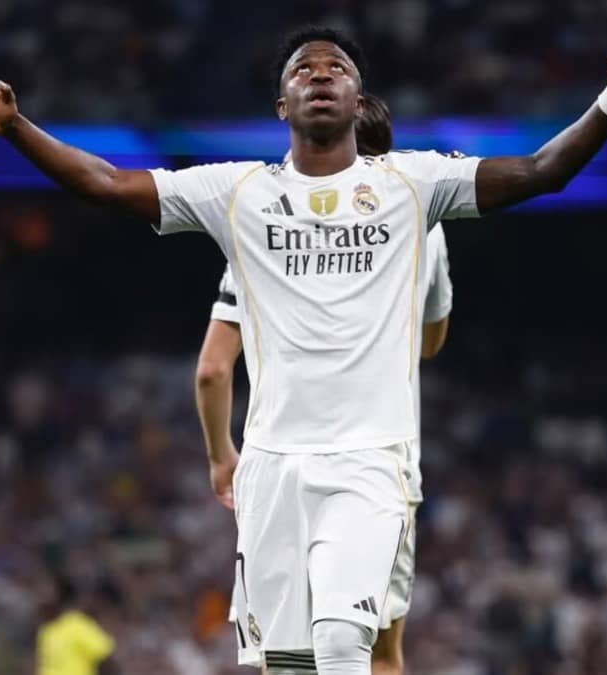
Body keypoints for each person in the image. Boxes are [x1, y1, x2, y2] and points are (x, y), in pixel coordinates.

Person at [0, 12, 607, 673]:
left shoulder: (414, 186)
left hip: (368, 462)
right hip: (271, 471)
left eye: (338, 68)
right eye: (303, 69)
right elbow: (105, 182)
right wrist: (18, 129)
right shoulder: (236, 192)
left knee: (345, 642)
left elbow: (542, 171)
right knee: (289, 664)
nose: (321, 75)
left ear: (360, 100)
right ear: (281, 103)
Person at [196, 93, 451, 675]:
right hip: (380, 466)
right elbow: (431, 343)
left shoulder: (259, 229)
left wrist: (220, 456)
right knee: (375, 651)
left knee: (282, 654)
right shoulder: (421, 224)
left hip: (279, 464)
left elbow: (212, 368)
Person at [36, 578, 116, 675]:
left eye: (46, 591)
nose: (41, 597)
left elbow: (105, 655)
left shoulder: (76, 623)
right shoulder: (45, 631)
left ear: (59, 595)